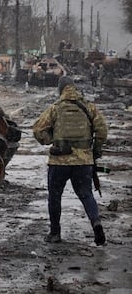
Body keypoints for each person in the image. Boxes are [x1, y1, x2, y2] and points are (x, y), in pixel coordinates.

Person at [33, 75, 108, 246]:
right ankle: (96, 223)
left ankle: (55, 233)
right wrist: (95, 150)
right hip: (83, 161)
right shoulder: (89, 107)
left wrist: (51, 140)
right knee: (86, 194)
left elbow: (38, 130)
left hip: (59, 161)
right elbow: (102, 130)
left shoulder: (55, 108)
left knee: (55, 195)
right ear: (74, 88)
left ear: (60, 90)